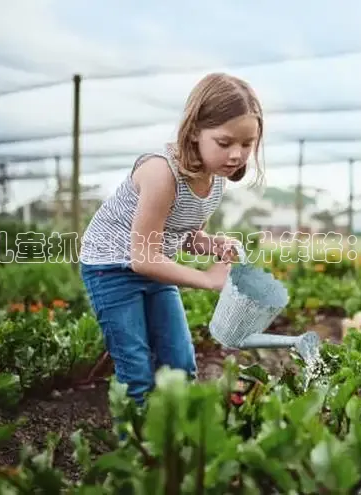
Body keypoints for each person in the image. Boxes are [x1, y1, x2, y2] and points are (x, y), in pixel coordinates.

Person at [78, 72, 263, 406]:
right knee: (136, 373)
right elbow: (142, 257)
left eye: (246, 144)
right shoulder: (160, 173)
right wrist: (207, 279)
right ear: (194, 132)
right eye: (225, 142)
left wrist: (213, 244)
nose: (236, 155)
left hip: (153, 266)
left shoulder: (216, 178)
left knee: (180, 365)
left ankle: (174, 440)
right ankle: (140, 453)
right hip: (111, 269)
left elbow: (185, 235)